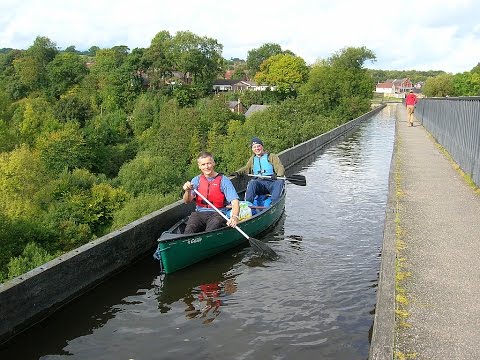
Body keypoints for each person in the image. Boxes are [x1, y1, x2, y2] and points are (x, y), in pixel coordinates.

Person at [182, 151, 240, 234]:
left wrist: (235, 217)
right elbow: (186, 201)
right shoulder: (196, 180)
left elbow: (235, 202)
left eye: (208, 163)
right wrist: (187, 191)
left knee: (211, 229)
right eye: (203, 164)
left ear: (213, 163)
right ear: (199, 166)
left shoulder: (224, 180)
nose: (206, 167)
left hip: (218, 213)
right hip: (199, 213)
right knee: (189, 230)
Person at [234, 137, 285, 204]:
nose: (257, 149)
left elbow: (279, 167)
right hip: (259, 182)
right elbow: (246, 168)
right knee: (252, 183)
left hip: (271, 181)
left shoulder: (271, 156)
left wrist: (279, 175)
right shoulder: (252, 159)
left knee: (279, 182)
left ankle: (274, 203)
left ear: (262, 146)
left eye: (258, 146)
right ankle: (248, 204)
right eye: (254, 147)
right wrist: (237, 172)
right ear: (252, 149)